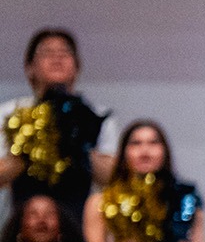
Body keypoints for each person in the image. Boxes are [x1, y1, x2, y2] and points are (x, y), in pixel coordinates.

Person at [0, 29, 121, 219]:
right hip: (21, 224)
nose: (57, 58)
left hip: (79, 225)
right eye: (47, 53)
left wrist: (79, 143)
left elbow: (114, 179)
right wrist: (29, 145)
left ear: (76, 68)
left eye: (65, 53)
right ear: (30, 68)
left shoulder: (96, 116)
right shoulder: (10, 113)